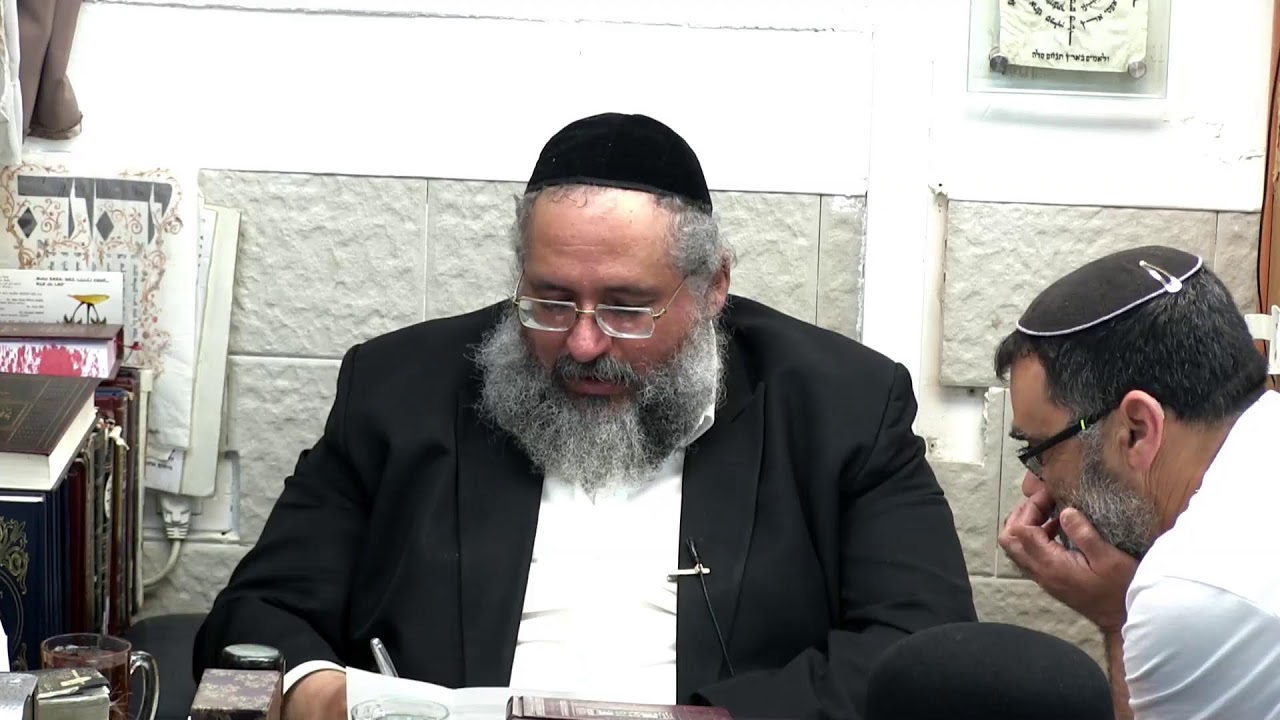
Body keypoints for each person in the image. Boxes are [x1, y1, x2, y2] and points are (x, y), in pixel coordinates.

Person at [192, 112, 977, 720]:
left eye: (628, 307)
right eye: (551, 299)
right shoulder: (399, 388)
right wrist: (315, 689)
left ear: (712, 288)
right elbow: (254, 619)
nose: (583, 342)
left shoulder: (842, 407)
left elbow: (925, 649)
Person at [995, 245, 1279, 720]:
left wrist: (1119, 616)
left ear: (1137, 431)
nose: (1032, 487)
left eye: (1041, 449)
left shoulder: (1192, 591)